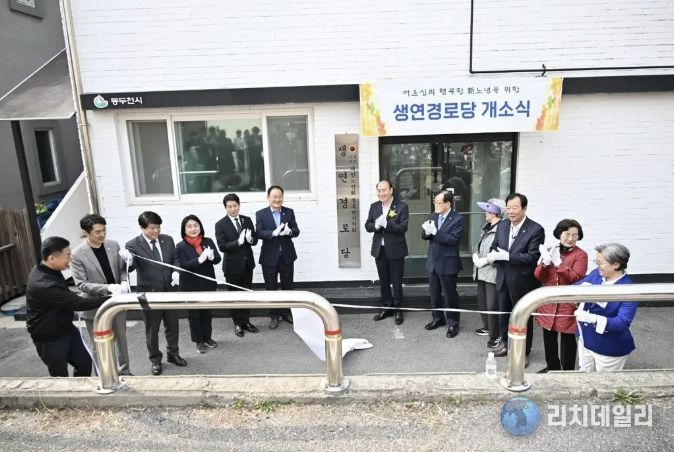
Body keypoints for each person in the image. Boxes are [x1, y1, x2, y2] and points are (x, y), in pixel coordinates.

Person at [26, 237, 109, 377]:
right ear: (52, 258)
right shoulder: (44, 285)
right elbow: (78, 303)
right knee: (60, 374)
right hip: (48, 336)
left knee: (84, 363)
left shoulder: (46, 268)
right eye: (67, 256)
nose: (69, 260)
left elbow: (68, 297)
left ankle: (80, 388)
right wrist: (110, 298)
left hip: (66, 328)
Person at [120, 211, 186, 376]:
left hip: (169, 290)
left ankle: (173, 353)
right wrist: (127, 260)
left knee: (173, 325)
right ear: (142, 227)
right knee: (152, 329)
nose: (156, 231)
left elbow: (175, 259)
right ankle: (155, 360)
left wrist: (176, 271)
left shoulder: (167, 239)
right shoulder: (133, 244)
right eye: (152, 228)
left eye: (158, 227)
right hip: (149, 293)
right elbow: (130, 268)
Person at [70, 214, 132, 376]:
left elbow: (121, 269)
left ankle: (125, 372)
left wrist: (124, 281)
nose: (102, 234)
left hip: (117, 302)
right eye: (97, 232)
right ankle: (104, 375)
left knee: (122, 340)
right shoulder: (77, 254)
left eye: (104, 230)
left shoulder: (113, 245)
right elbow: (81, 284)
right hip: (94, 305)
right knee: (99, 344)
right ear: (85, 232)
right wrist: (108, 288)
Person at [488, 193, 545, 367]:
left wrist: (509, 256)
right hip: (503, 279)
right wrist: (493, 256)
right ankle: (507, 345)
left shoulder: (535, 229)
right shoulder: (503, 225)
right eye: (508, 208)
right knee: (503, 315)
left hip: (522, 282)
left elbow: (533, 257)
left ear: (524, 208)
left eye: (515, 208)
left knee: (522, 318)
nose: (511, 212)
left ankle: (523, 352)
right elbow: (494, 246)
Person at [534, 219, 588, 373]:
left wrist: (559, 263)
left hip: (567, 303)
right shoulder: (552, 250)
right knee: (548, 338)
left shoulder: (581, 255)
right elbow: (539, 276)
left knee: (568, 339)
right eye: (567, 234)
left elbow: (576, 277)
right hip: (548, 301)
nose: (570, 238)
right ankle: (552, 367)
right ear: (559, 234)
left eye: (575, 235)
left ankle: (567, 371)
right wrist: (545, 263)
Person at [574, 243, 637, 372]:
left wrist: (593, 319)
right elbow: (573, 289)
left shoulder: (629, 289)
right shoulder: (596, 274)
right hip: (585, 339)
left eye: (600, 262)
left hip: (609, 347)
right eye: (596, 262)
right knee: (584, 374)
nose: (597, 265)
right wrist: (578, 290)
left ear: (616, 264)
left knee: (605, 381)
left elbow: (622, 322)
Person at [365, 180, 409, 325]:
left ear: (391, 190)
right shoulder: (374, 206)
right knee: (384, 282)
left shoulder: (401, 206)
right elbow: (367, 225)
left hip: (396, 250)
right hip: (380, 250)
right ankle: (387, 307)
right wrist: (376, 226)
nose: (381, 193)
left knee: (396, 282)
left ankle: (398, 309)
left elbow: (403, 228)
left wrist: (387, 224)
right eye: (379, 191)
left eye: (384, 190)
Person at [215, 193, 259, 337]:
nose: (233, 209)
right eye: (229, 207)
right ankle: (237, 323)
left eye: (235, 206)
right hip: (232, 266)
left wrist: (250, 239)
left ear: (239, 205)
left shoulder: (246, 220)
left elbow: (255, 240)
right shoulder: (220, 224)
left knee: (247, 294)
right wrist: (239, 242)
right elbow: (222, 246)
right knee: (234, 295)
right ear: (225, 208)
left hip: (247, 264)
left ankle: (246, 321)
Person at [176, 214, 222, 354]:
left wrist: (212, 257)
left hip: (207, 284)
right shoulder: (180, 246)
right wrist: (199, 260)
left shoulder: (208, 241)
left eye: (196, 225)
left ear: (200, 227)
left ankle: (207, 337)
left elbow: (218, 259)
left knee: (207, 313)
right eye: (189, 226)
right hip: (190, 286)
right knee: (194, 315)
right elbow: (183, 265)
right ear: (184, 229)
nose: (193, 229)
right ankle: (198, 341)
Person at [255, 185, 300, 329]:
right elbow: (258, 233)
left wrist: (289, 231)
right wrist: (272, 233)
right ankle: (274, 315)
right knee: (271, 287)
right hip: (269, 257)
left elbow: (296, 231)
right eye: (274, 196)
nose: (277, 199)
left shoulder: (289, 212)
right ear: (268, 198)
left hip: (287, 256)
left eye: (280, 196)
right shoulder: (261, 214)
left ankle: (287, 312)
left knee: (288, 286)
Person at [421, 190, 464, 337]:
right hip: (433, 260)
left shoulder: (457, 218)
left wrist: (435, 232)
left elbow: (453, 240)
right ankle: (438, 318)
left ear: (448, 203)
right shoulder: (432, 215)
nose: (435, 205)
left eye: (439, 203)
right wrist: (427, 232)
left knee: (449, 294)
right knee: (434, 293)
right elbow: (424, 235)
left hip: (448, 262)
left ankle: (453, 323)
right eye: (434, 202)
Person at [471, 198, 505, 349]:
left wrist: (485, 260)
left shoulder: (501, 229)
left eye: (488, 210)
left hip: (492, 272)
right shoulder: (487, 227)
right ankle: (487, 327)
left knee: (492, 305)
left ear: (495, 212)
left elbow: (499, 251)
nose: (485, 212)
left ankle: (496, 334)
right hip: (481, 271)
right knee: (483, 302)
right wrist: (476, 256)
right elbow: (479, 246)